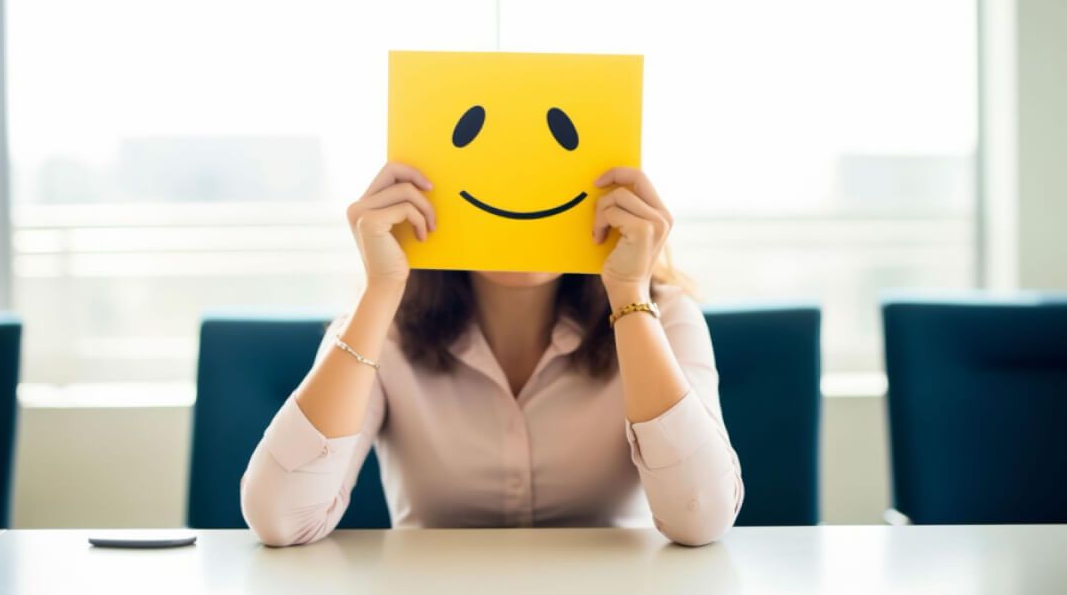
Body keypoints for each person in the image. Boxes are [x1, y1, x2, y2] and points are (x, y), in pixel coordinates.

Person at [240, 163, 744, 547]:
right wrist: (381, 290)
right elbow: (281, 517)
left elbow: (701, 516)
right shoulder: (382, 327)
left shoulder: (665, 317)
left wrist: (629, 294)